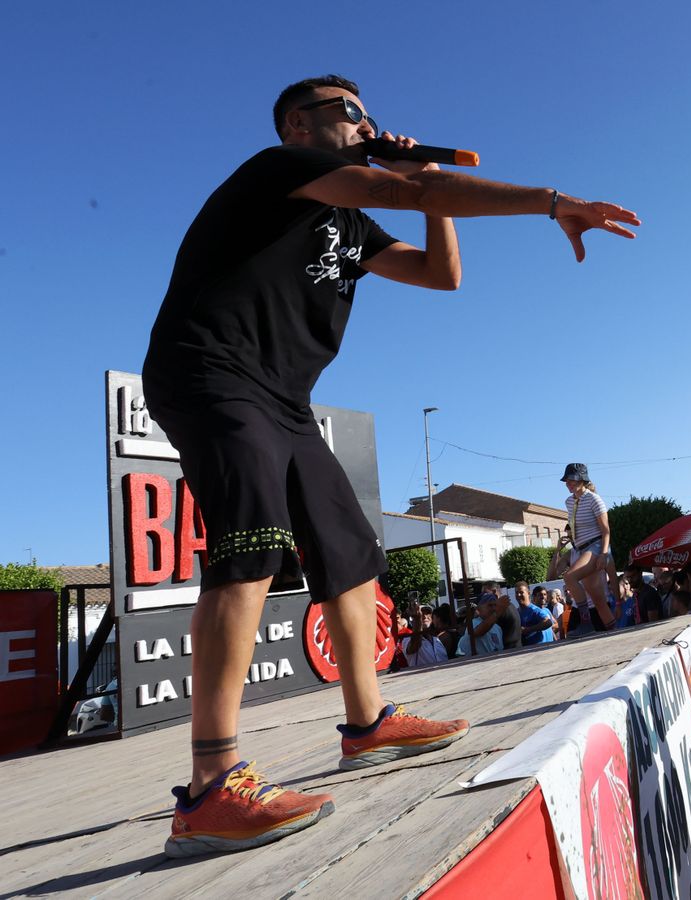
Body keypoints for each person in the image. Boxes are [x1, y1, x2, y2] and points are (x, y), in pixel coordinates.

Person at [142, 72, 619, 856]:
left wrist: (422, 189)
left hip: (284, 399)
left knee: (351, 554)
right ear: (300, 124)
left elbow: (442, 275)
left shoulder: (353, 223)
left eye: (370, 114)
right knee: (250, 550)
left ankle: (366, 725)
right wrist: (545, 199)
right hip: (210, 372)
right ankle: (209, 788)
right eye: (350, 113)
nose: (367, 123)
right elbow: (411, 194)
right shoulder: (280, 169)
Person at [560, 464, 617, 631]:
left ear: (582, 480)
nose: (568, 483)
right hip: (581, 549)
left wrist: (604, 554)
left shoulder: (594, 499)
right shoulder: (569, 502)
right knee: (597, 598)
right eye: (566, 480)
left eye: (571, 479)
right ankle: (614, 631)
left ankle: (585, 623)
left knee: (569, 577)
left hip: (595, 546)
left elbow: (606, 530)